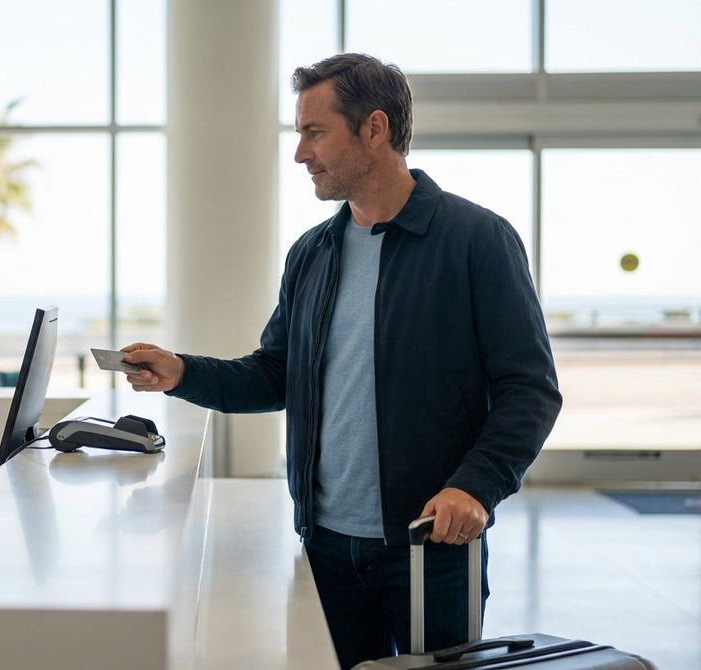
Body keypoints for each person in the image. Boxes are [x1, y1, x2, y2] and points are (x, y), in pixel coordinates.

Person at [120, 53, 562, 669]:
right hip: (325, 546)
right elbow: (277, 373)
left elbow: (531, 389)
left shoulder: (477, 240)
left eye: (315, 132)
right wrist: (184, 372)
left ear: (373, 129)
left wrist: (475, 485)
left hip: (428, 547)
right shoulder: (313, 253)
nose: (300, 153)